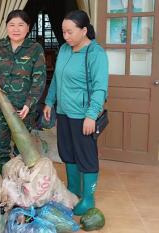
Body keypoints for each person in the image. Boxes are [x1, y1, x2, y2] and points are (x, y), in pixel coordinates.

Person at [43, 10, 109, 215]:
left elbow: (100, 88)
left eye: (70, 32)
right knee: (67, 152)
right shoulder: (64, 49)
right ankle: (73, 189)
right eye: (63, 32)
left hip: (82, 115)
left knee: (86, 156)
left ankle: (88, 198)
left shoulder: (95, 54)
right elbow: (56, 79)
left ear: (84, 30)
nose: (66, 36)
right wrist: (49, 102)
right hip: (63, 112)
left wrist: (91, 115)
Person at [0, 9, 46, 172]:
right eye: (11, 25)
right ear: (6, 27)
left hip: (23, 109)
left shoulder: (35, 49)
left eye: (20, 25)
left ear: (28, 28)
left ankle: (21, 179)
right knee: (0, 147)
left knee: (23, 148)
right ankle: (3, 180)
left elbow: (39, 80)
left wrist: (29, 104)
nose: (16, 29)